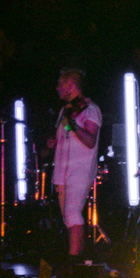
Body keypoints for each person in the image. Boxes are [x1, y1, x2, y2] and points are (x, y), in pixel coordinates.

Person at [50, 69, 101, 259]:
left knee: (72, 214)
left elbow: (90, 141)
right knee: (67, 218)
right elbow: (63, 139)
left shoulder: (90, 109)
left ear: (70, 84)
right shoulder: (66, 110)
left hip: (80, 169)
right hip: (62, 170)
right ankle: (77, 260)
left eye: (60, 84)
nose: (57, 88)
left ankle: (73, 262)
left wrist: (73, 125)